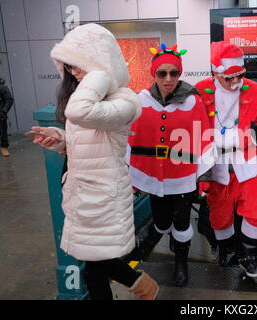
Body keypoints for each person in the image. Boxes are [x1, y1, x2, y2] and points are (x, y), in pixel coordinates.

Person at [31, 23, 158, 300]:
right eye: (68, 66)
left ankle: (140, 283)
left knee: (94, 271)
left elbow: (79, 110)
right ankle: (141, 284)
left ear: (100, 62)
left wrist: (101, 73)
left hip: (102, 198)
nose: (74, 73)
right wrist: (59, 139)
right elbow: (89, 140)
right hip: (83, 195)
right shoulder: (89, 100)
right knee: (95, 265)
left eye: (78, 64)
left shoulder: (125, 100)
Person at [126, 43, 215, 287]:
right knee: (162, 222)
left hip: (183, 176)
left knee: (182, 223)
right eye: (162, 73)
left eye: (174, 73)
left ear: (180, 73)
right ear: (153, 74)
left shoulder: (192, 101)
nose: (168, 79)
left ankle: (180, 263)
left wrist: (204, 176)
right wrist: (131, 175)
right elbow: (129, 137)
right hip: (154, 177)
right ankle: (156, 244)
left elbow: (204, 137)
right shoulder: (141, 100)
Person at [195, 41, 257, 278]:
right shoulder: (200, 91)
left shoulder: (256, 91)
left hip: (249, 166)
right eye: (229, 78)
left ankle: (249, 257)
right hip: (216, 167)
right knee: (219, 215)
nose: (236, 82)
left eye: (239, 75)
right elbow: (190, 129)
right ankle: (227, 252)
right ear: (216, 72)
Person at [0, 78, 14, 157]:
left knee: (3, 131)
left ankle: (4, 147)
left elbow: (9, 100)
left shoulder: (2, 87)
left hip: (0, 114)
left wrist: (4, 111)